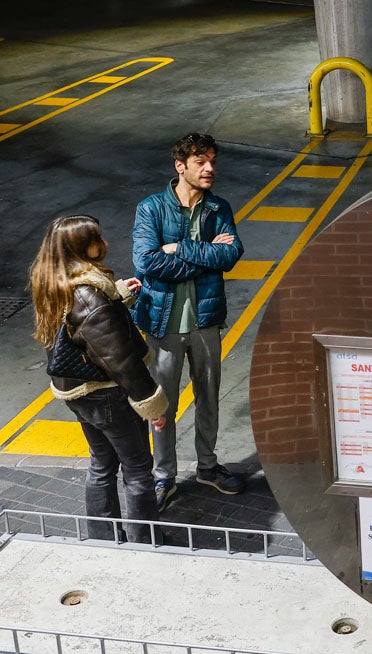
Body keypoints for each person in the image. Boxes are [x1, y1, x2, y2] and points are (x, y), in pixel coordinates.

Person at [29, 214, 169, 541]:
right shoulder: (88, 295)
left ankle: (103, 539)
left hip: (78, 394)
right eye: (97, 239)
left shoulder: (55, 280)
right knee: (137, 471)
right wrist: (152, 406)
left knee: (102, 465)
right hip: (107, 394)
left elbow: (80, 328)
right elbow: (118, 359)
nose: (105, 244)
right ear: (81, 248)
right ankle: (146, 543)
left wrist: (115, 297)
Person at [132, 132, 246, 511]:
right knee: (162, 404)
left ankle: (208, 467)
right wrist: (206, 254)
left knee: (209, 396)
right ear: (181, 166)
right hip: (164, 323)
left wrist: (180, 248)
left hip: (206, 319)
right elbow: (148, 263)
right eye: (201, 162)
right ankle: (164, 474)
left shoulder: (218, 208)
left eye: (212, 160)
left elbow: (231, 255)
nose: (210, 168)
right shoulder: (151, 209)